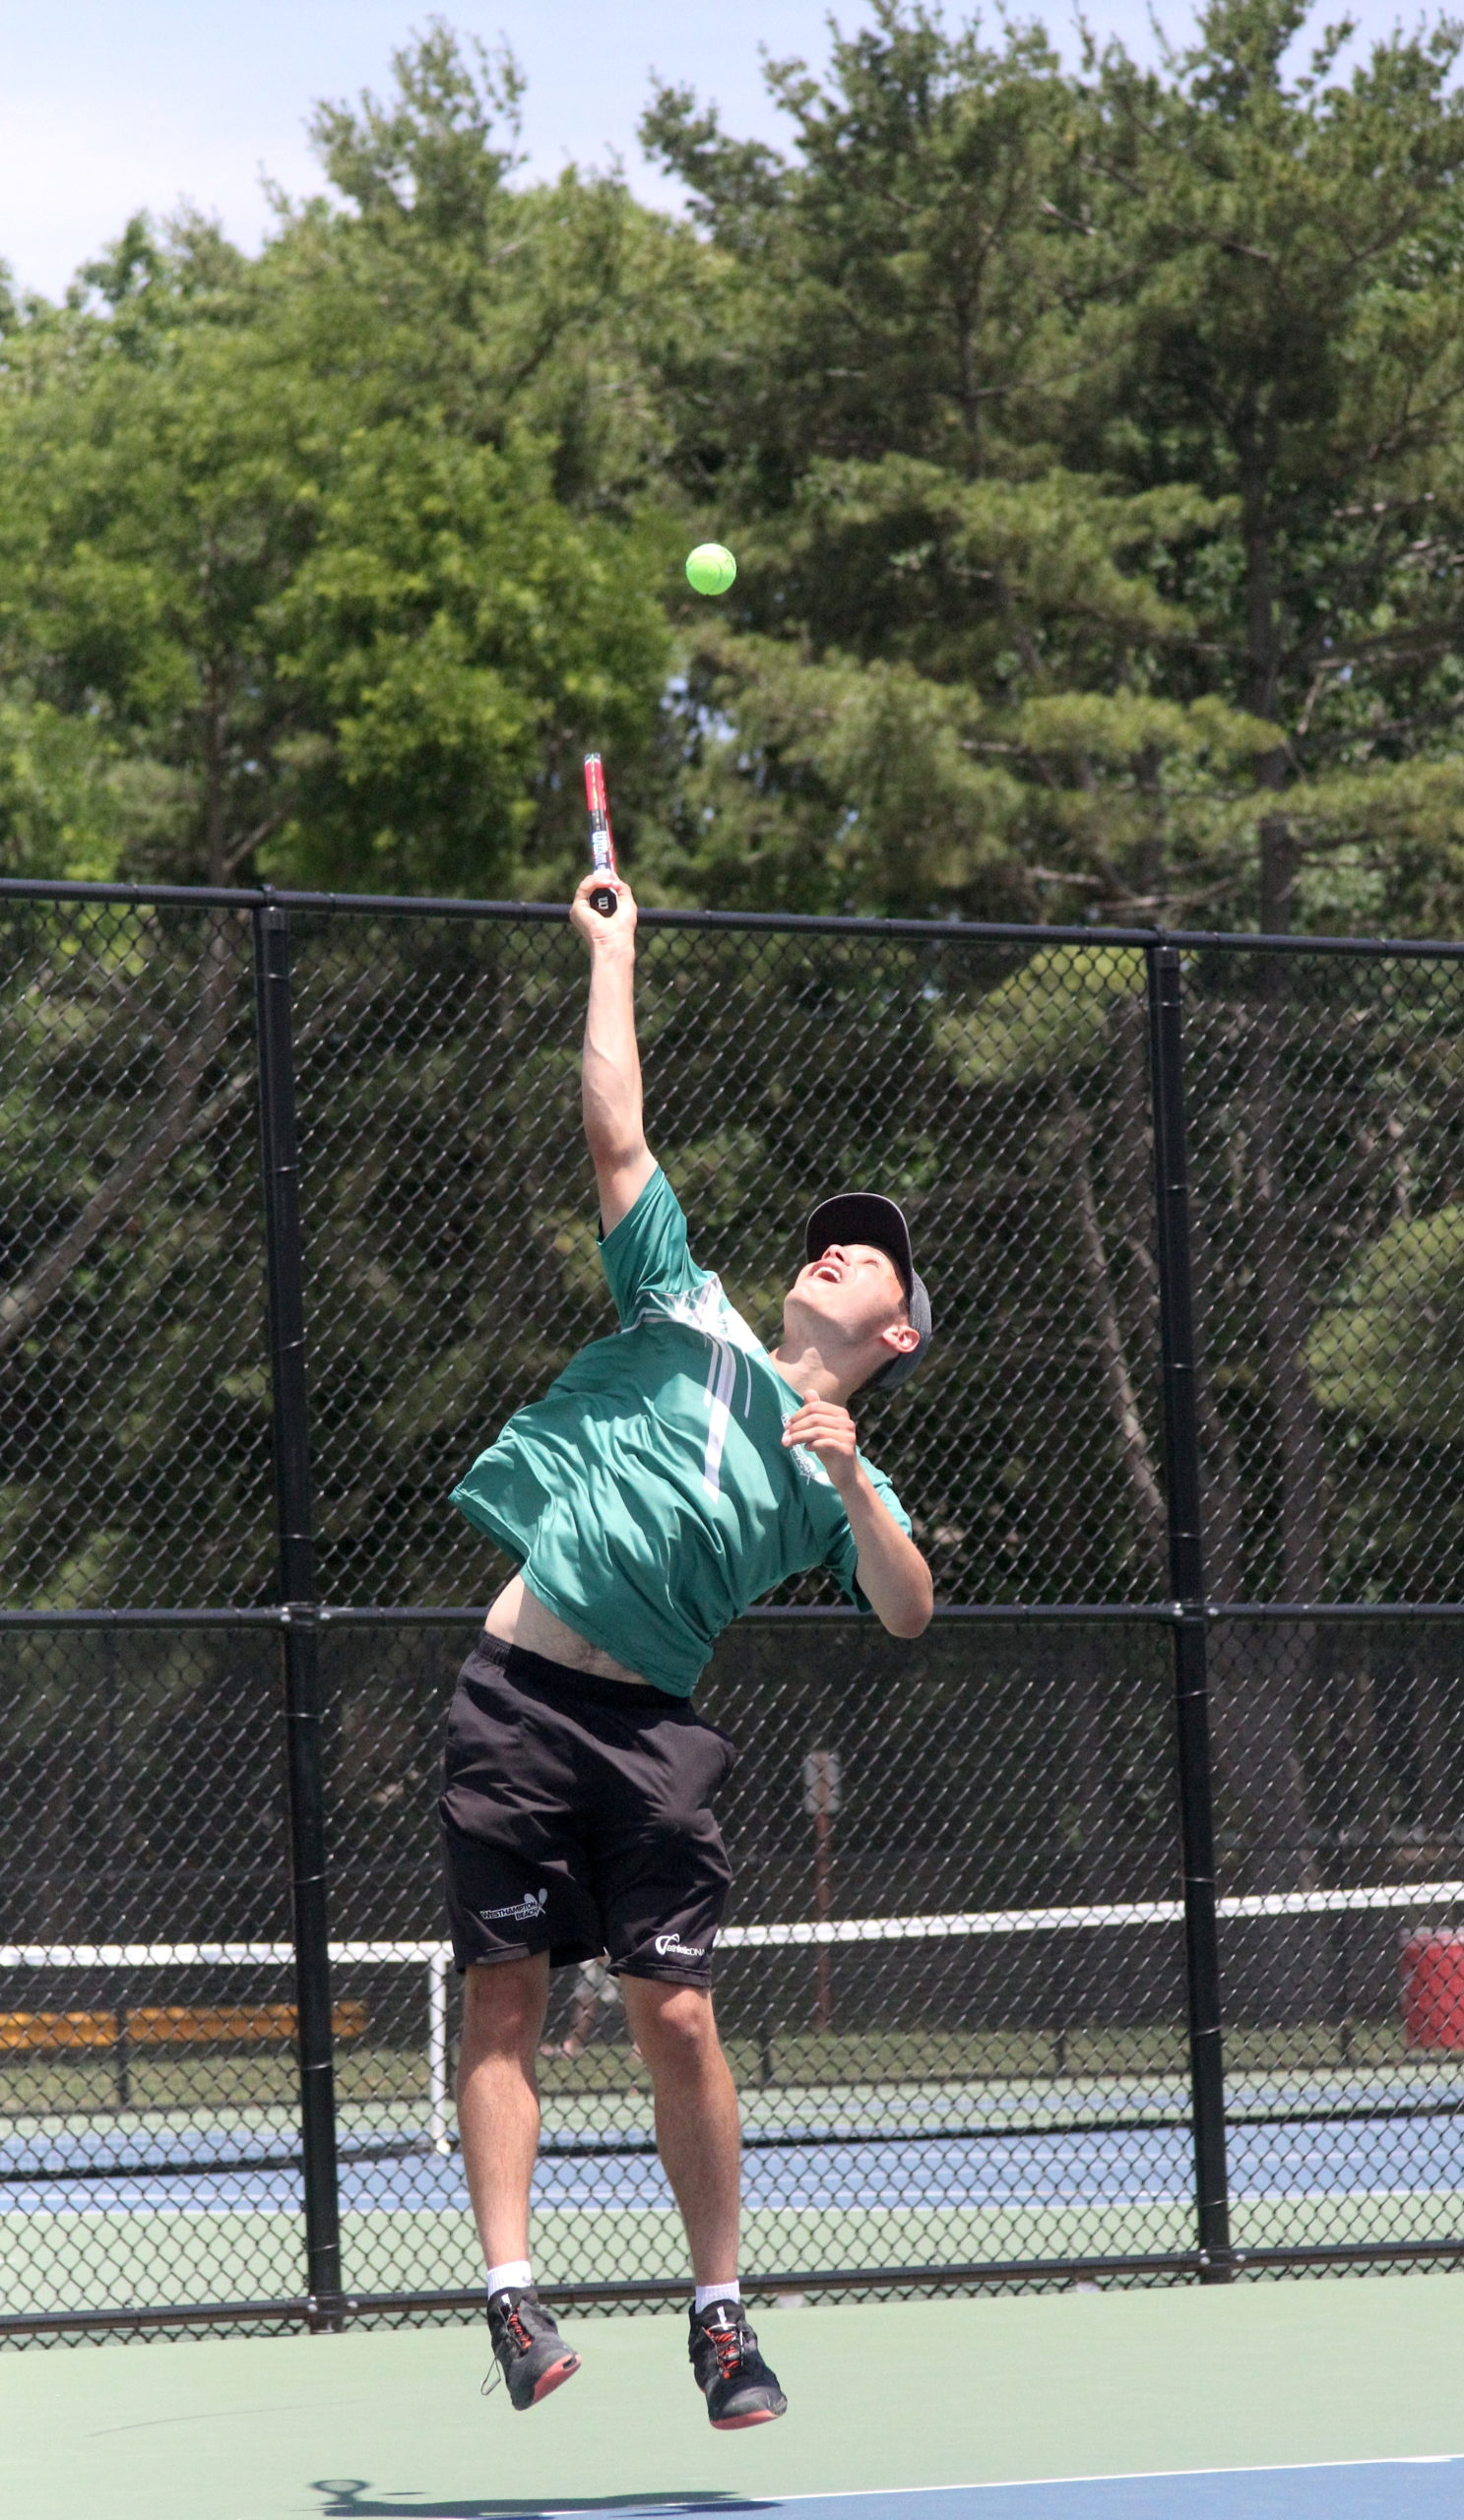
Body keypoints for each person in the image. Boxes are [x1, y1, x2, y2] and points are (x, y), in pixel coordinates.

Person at [438, 870, 934, 2428]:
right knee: (502, 1998)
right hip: (517, 1697)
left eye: (869, 1261)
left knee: (680, 2013)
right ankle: (512, 2298)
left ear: (899, 1331)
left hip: (652, 1730)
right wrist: (612, 954)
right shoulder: (688, 1311)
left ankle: (722, 2320)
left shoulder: (838, 1459)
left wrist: (850, 1474)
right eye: (833, 1243)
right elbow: (618, 1134)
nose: (837, 1255)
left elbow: (908, 1604)